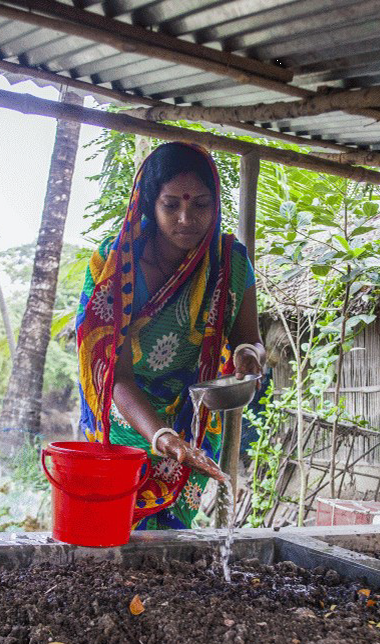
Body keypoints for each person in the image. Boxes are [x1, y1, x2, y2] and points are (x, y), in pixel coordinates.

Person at [75, 141, 265, 530]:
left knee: (171, 543)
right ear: (149, 203)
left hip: (190, 416)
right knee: (113, 525)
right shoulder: (116, 266)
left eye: (199, 204)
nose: (186, 218)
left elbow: (250, 339)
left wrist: (248, 356)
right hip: (125, 416)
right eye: (171, 204)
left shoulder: (231, 262)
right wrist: (161, 437)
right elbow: (115, 375)